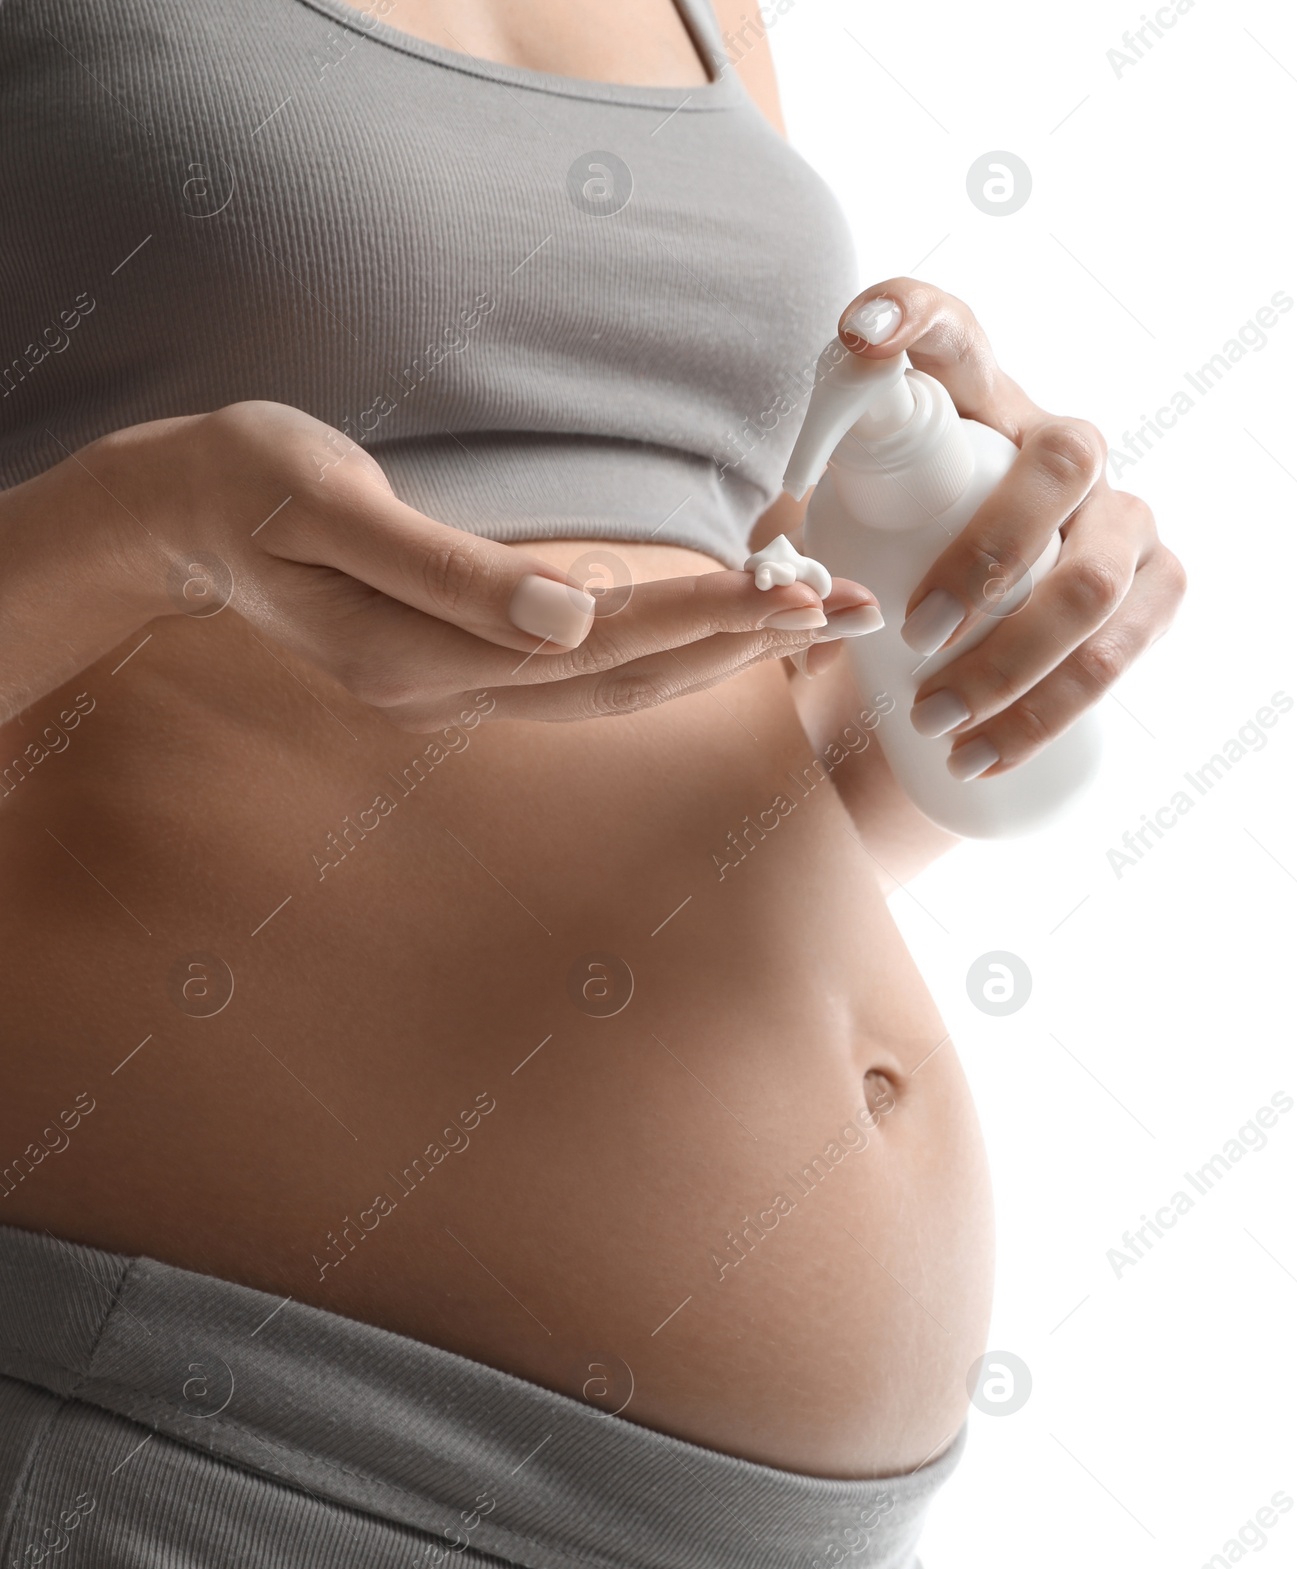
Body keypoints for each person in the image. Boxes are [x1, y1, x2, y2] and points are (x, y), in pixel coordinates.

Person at [0, 0, 1184, 1563]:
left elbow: (695, 743)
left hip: (764, 1517)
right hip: (226, 1430)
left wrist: (974, 631)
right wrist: (144, 528)